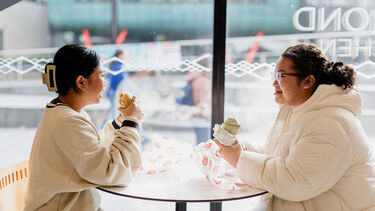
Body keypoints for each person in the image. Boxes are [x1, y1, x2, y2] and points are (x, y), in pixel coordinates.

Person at [214, 43, 375, 210]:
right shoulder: (297, 110)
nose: (274, 84)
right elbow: (277, 155)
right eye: (273, 76)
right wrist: (241, 149)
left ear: (308, 81)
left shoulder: (332, 123)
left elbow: (294, 182)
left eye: (281, 76)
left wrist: (240, 159)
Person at [24, 44, 144, 211]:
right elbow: (114, 173)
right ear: (81, 82)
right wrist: (131, 122)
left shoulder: (66, 113)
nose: (104, 83)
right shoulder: (67, 121)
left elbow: (94, 149)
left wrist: (122, 121)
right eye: (101, 75)